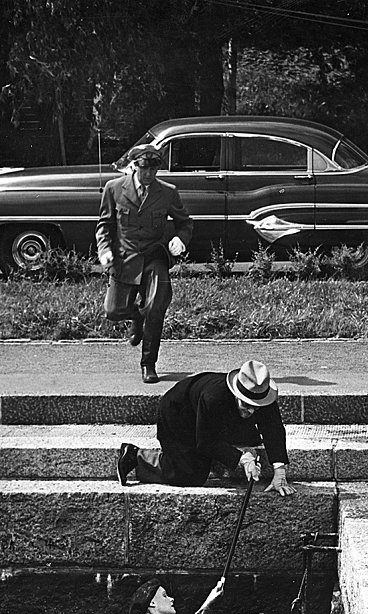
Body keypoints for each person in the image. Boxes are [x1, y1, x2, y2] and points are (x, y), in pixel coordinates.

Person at [116, 359, 296, 496]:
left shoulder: (263, 395)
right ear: (236, 394)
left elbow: (274, 429)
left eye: (256, 406)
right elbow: (206, 441)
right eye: (246, 404)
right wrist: (240, 458)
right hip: (180, 414)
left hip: (217, 418)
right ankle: (137, 456)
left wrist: (279, 470)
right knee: (190, 474)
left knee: (249, 435)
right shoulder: (213, 397)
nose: (251, 410)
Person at [96, 144, 194, 384]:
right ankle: (136, 318)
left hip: (154, 257)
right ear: (134, 166)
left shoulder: (167, 192)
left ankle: (148, 364)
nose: (148, 174)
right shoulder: (114, 189)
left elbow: (185, 222)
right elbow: (104, 226)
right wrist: (105, 250)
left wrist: (180, 239)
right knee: (113, 311)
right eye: (143, 168)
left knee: (155, 308)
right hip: (125, 258)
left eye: (153, 169)